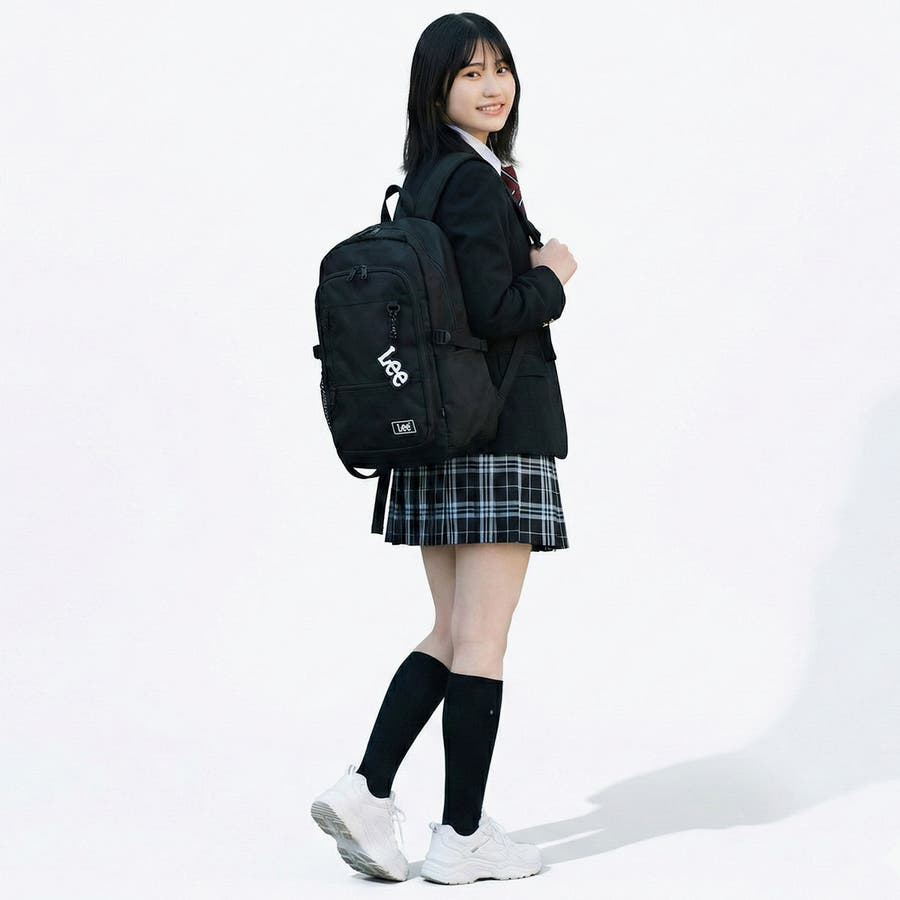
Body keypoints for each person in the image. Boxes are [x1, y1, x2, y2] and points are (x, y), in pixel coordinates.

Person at [310, 13, 578, 885]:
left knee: (452, 631)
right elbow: (498, 311)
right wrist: (553, 273)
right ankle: (460, 837)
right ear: (437, 90)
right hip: (495, 432)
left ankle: (366, 789)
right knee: (483, 641)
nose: (493, 86)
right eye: (470, 74)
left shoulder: (425, 179)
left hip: (435, 436)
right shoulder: (472, 183)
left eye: (500, 67)